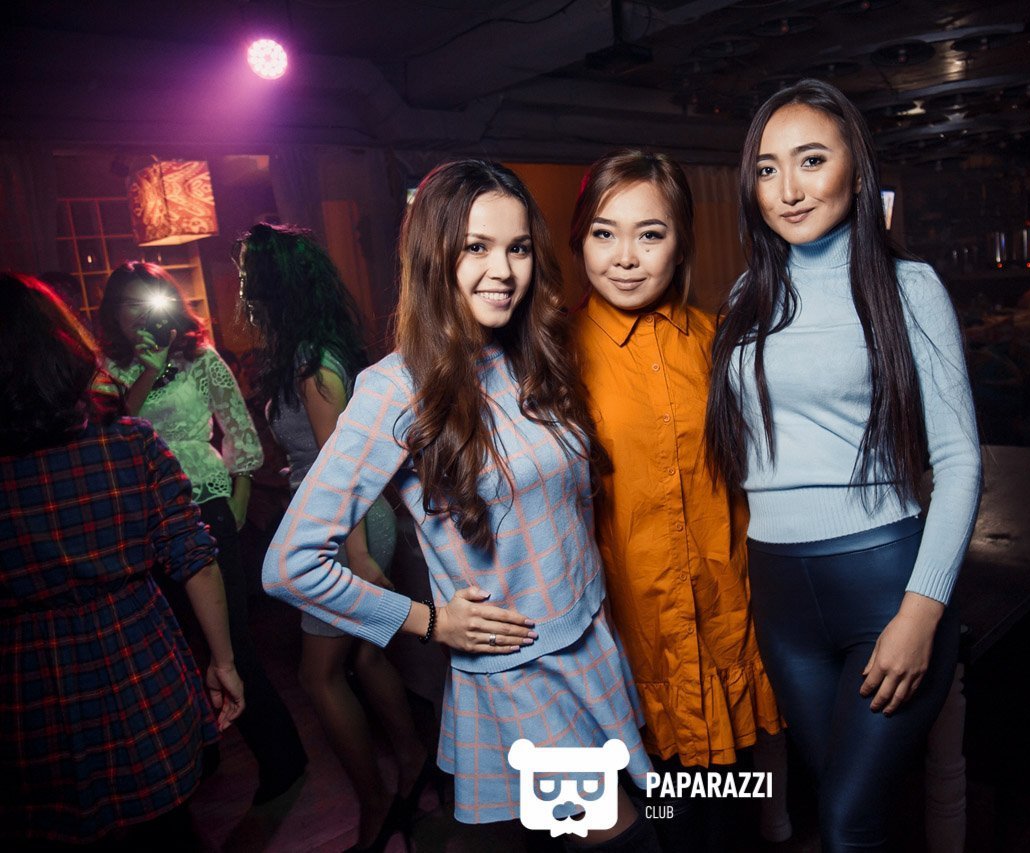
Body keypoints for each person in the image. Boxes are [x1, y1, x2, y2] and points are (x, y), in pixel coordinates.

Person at [262, 160, 657, 850]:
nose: (502, 270)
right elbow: (291, 564)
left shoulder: (533, 354)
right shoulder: (394, 388)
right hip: (521, 675)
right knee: (623, 840)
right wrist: (428, 621)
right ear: (432, 256)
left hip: (590, 638)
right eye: (476, 247)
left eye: (517, 247)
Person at [705, 79, 982, 851]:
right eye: (767, 169)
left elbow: (959, 460)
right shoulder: (745, 296)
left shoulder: (906, 286)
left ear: (857, 173)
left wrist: (920, 613)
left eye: (811, 160)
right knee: (842, 806)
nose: (787, 190)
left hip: (884, 584)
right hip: (781, 596)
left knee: (847, 821)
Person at [567, 149, 791, 849]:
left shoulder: (718, 342)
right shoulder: (553, 355)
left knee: (728, 822)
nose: (625, 257)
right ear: (579, 239)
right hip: (630, 648)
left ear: (681, 241)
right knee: (662, 822)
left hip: (724, 628)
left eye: (650, 233)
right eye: (604, 233)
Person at [0, 273, 245, 850]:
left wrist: (236, 505)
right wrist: (224, 662)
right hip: (134, 653)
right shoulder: (127, 441)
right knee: (164, 828)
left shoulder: (177, 384)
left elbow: (238, 442)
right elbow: (193, 558)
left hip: (27, 678)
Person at [236, 222, 432, 851]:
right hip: (344, 528)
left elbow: (340, 470)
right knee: (367, 657)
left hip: (344, 533)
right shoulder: (308, 353)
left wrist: (357, 558)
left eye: (247, 273)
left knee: (318, 676)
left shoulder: (313, 364)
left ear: (275, 284)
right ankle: (412, 768)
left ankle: (376, 801)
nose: (241, 286)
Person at [96, 262, 307, 805]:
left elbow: (239, 430)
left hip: (205, 504)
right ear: (112, 313)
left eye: (148, 301)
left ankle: (282, 757)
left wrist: (238, 500)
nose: (139, 314)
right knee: (178, 643)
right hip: (143, 518)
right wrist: (147, 372)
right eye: (127, 304)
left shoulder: (201, 358)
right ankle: (201, 754)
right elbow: (112, 437)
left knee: (229, 640)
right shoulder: (106, 372)